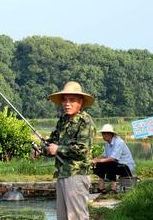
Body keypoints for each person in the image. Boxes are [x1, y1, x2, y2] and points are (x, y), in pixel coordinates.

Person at [45, 81, 96, 220]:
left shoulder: (85, 122)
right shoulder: (62, 120)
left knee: (77, 217)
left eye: (72, 100)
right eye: (64, 100)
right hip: (62, 173)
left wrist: (58, 149)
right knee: (62, 217)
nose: (67, 103)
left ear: (80, 102)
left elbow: (82, 150)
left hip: (76, 175)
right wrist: (41, 150)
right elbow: (53, 142)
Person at [91, 124, 136, 194]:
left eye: (105, 134)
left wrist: (98, 160)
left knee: (110, 163)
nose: (103, 136)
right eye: (103, 134)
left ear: (110, 134)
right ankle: (101, 188)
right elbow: (104, 155)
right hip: (117, 165)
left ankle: (113, 188)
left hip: (126, 167)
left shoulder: (119, 142)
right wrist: (94, 160)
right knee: (100, 164)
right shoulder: (107, 143)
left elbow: (113, 159)